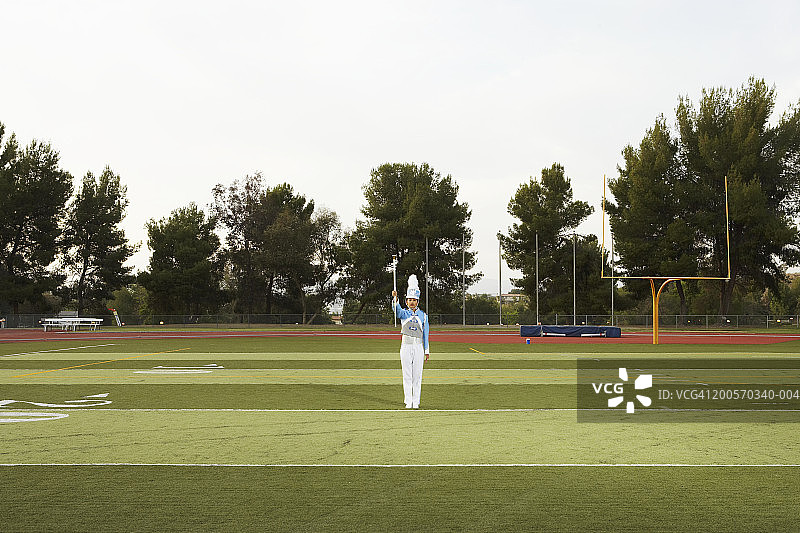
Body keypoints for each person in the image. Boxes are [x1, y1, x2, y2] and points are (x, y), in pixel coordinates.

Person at [391, 274, 430, 409]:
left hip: (418, 347)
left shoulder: (423, 316)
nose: (412, 302)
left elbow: (426, 333)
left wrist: (426, 350)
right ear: (406, 302)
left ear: (417, 301)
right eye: (409, 300)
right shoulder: (404, 314)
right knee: (407, 375)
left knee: (417, 376)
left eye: (414, 300)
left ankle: (416, 402)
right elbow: (396, 311)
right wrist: (395, 299)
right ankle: (408, 401)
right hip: (406, 346)